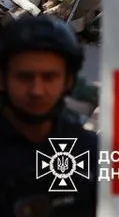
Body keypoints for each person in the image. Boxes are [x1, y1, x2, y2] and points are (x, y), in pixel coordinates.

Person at [0, 15, 96, 216]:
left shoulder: (89, 150)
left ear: (68, 81)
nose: (37, 90)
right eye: (24, 77)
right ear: (2, 80)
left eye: (49, 77)